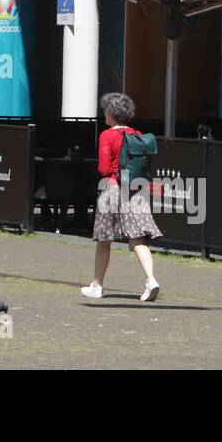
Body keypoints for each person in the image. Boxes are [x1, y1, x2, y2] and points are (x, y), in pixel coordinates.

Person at [80, 92, 162, 303]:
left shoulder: (107, 135)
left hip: (113, 189)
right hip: (135, 189)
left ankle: (97, 285)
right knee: (137, 239)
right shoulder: (136, 134)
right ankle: (151, 280)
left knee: (104, 239)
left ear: (111, 113)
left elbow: (104, 167)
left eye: (105, 109)